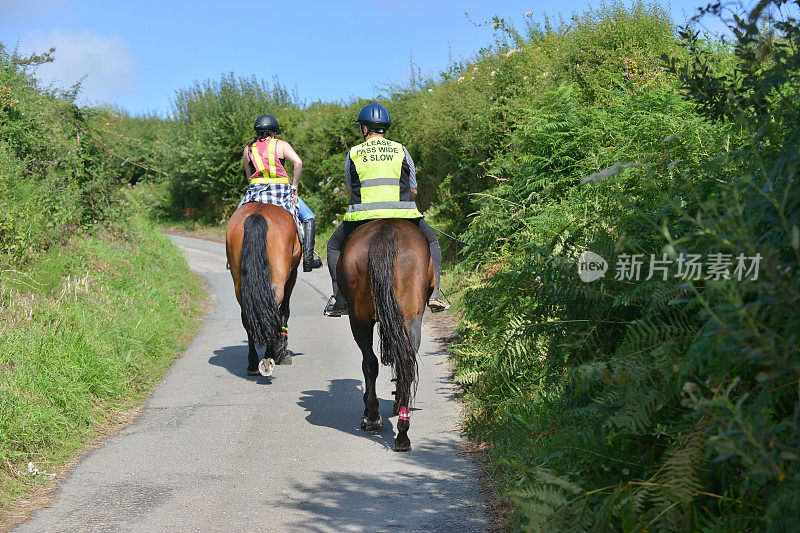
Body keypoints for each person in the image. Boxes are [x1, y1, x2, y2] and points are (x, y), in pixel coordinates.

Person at [323, 102, 450, 316]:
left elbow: (350, 189)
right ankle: (436, 293)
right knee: (432, 242)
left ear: (364, 128)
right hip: (404, 215)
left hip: (362, 217)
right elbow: (414, 189)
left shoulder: (353, 153)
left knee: (334, 247)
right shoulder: (401, 150)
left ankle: (339, 298)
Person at [238, 114, 319, 272]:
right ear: (273, 132)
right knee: (309, 217)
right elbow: (298, 162)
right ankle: (309, 259)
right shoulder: (281, 145)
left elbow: (249, 176)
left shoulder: (248, 149)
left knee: (236, 217)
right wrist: (294, 186)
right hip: (281, 192)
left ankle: (232, 258)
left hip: (255, 192)